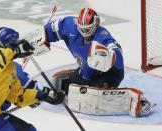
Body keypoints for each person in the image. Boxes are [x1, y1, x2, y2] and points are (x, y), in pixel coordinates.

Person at [24, 7, 155, 117]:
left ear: (96, 24)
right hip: (86, 71)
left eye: (88, 29)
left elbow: (117, 54)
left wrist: (111, 56)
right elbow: (51, 29)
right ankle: (77, 77)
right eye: (82, 28)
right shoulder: (69, 25)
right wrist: (36, 40)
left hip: (109, 73)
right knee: (61, 85)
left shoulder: (102, 34)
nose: (84, 32)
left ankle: (131, 98)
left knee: (92, 75)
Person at [0, 27, 65, 131]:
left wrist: (42, 95)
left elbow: (18, 96)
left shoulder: (9, 68)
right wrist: (16, 49)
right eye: (16, 43)